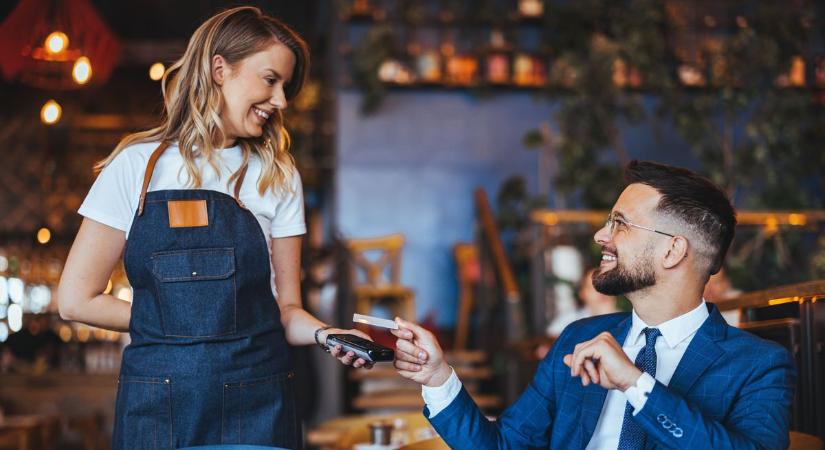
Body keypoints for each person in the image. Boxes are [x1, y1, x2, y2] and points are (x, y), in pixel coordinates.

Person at [57, 7, 371, 449]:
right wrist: (182, 320)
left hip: (258, 401)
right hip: (157, 405)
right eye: (270, 80)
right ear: (220, 70)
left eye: (285, 86)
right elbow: (75, 300)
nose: (281, 100)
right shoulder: (135, 168)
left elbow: (286, 311)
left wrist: (325, 333)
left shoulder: (277, 175)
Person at [392, 161, 796, 449]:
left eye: (620, 224)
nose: (602, 236)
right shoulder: (578, 339)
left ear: (673, 251)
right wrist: (438, 378)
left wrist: (636, 384)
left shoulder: (758, 365)